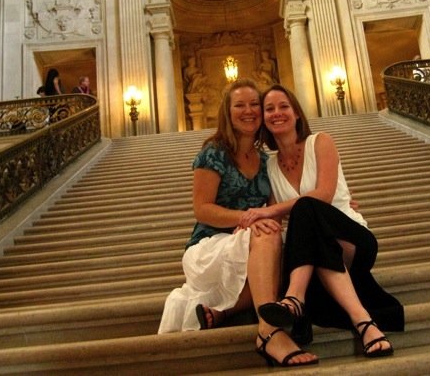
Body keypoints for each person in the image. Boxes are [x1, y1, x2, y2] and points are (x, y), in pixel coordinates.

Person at [158, 79, 318, 368]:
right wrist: (247, 219)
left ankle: (222, 312)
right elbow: (202, 209)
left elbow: (274, 208)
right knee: (267, 236)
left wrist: (335, 206)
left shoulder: (265, 160)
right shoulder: (214, 152)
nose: (249, 110)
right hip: (211, 244)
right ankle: (270, 332)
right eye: (240, 105)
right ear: (227, 112)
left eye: (255, 104)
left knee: (295, 255)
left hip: (251, 241)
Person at [240, 84, 404, 358]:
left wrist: (269, 211)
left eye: (283, 106)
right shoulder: (267, 166)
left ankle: (294, 297)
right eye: (269, 109)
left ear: (296, 114)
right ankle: (365, 324)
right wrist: (257, 221)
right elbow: (277, 220)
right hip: (315, 250)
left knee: (307, 205)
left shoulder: (321, 141)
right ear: (264, 119)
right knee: (309, 225)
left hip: (351, 237)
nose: (276, 113)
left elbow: (324, 196)